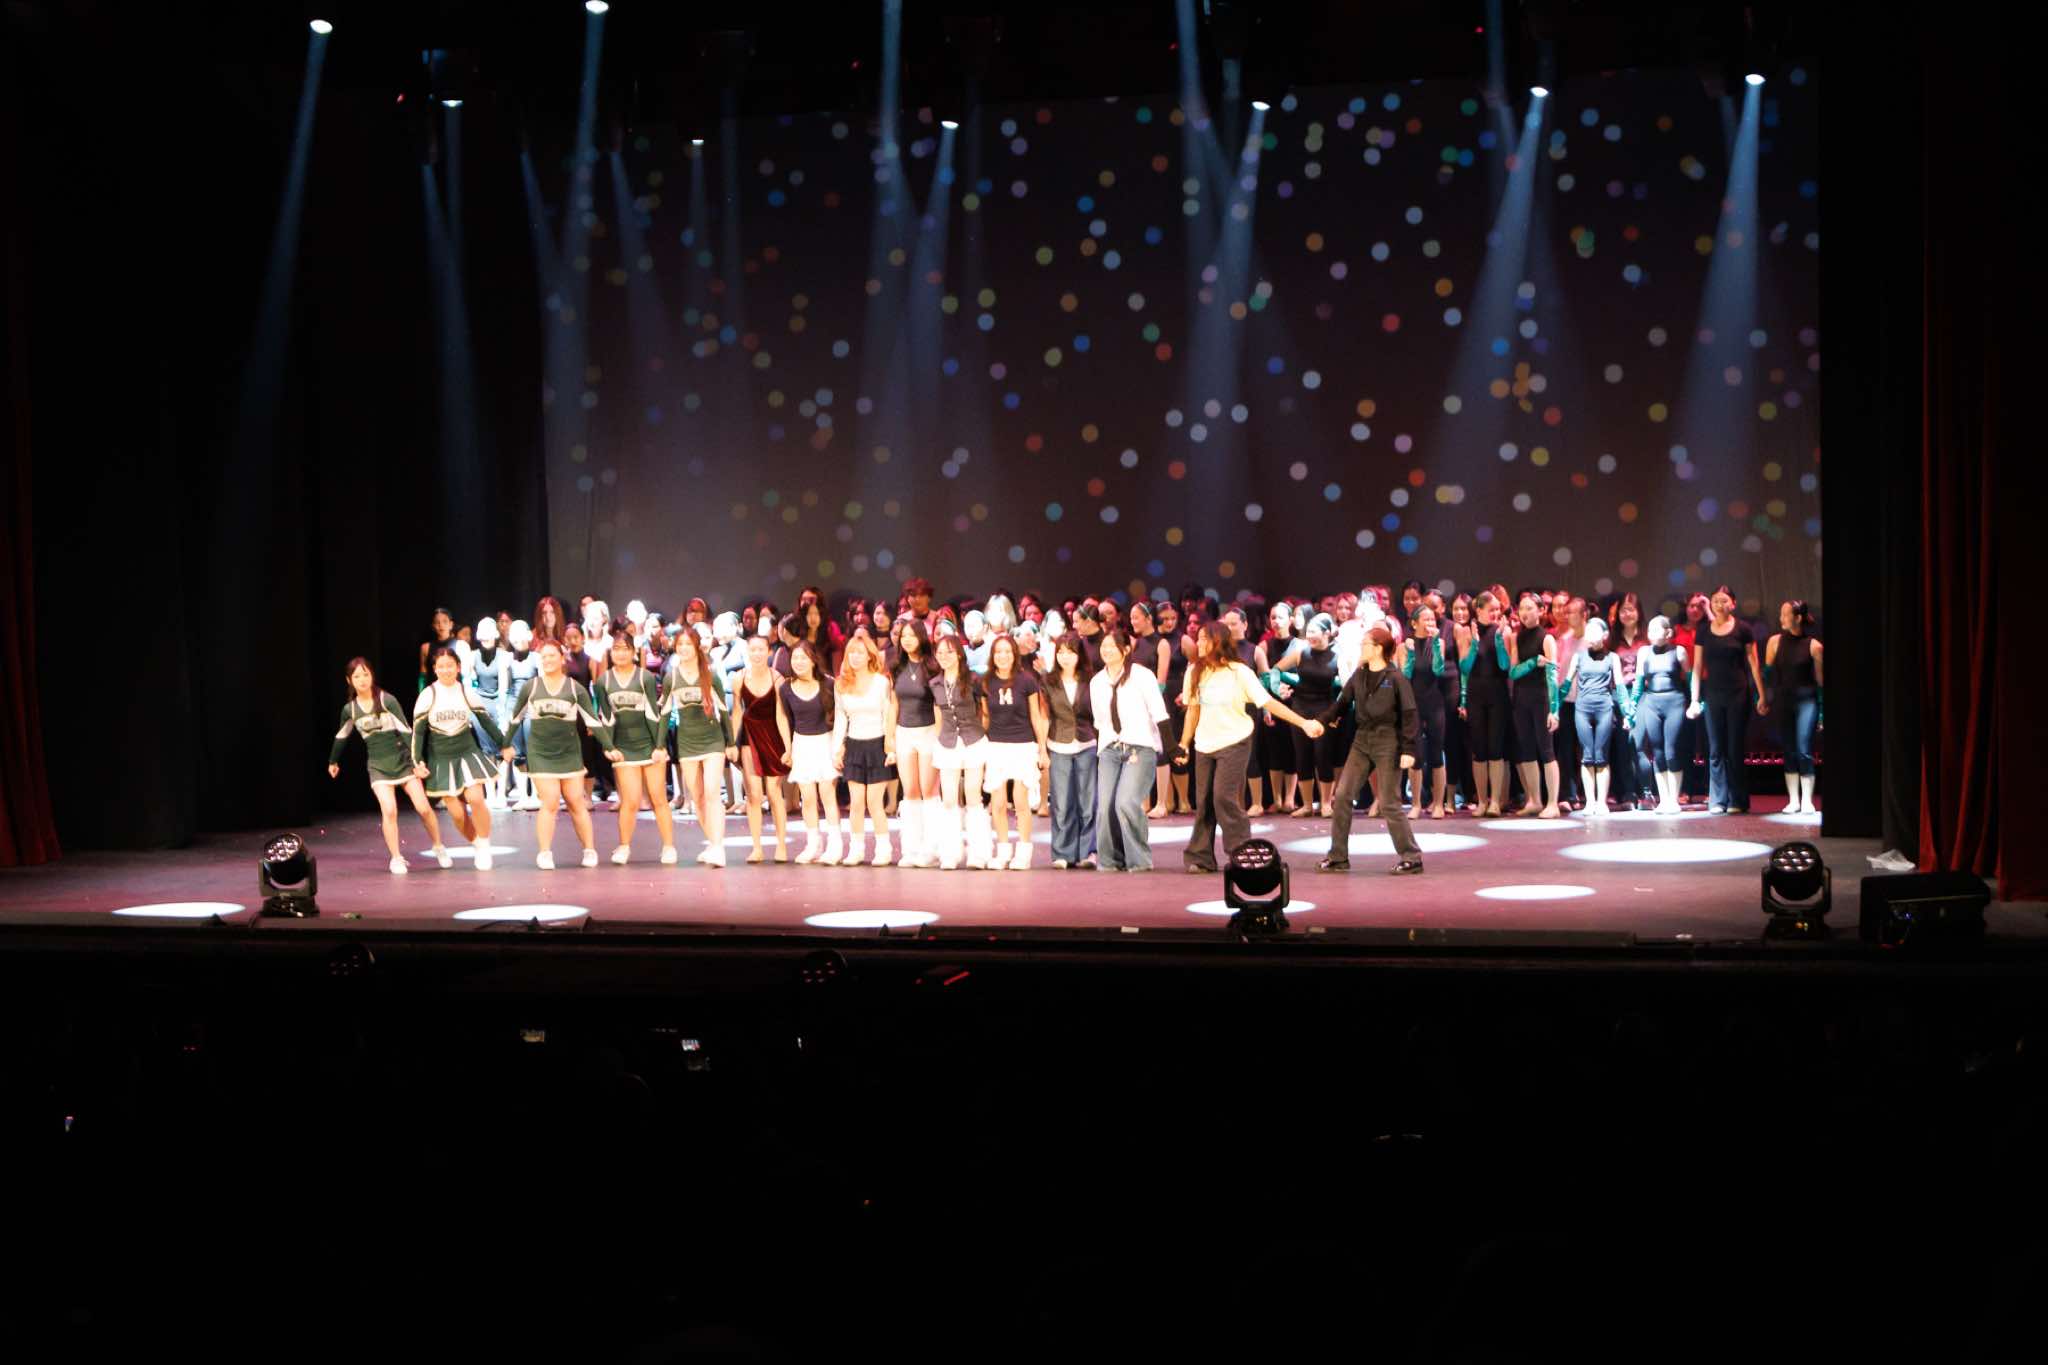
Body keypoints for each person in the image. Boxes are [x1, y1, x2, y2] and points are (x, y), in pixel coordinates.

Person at [1173, 621, 1326, 873]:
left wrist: (1303, 723)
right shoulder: (1194, 671)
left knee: (1223, 796)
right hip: (1204, 743)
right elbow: (1193, 711)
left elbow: (1267, 702)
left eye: (1203, 639)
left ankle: (1242, 852)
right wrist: (1184, 744)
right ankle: (1200, 857)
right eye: (1198, 638)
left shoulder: (1239, 672)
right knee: (1204, 801)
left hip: (1235, 740)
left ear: (1218, 641)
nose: (1198, 643)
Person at [1313, 626, 1424, 875]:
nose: (1361, 648)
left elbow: (1409, 715)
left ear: (1378, 649)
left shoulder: (1396, 678)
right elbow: (1342, 703)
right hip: (1362, 740)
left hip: (1388, 740)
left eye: (1365, 644)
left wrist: (1408, 749)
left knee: (1389, 801)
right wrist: (1321, 721)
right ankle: (1338, 856)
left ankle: (1412, 856)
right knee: (1342, 795)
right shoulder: (1360, 675)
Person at [328, 657, 445, 874]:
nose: (362, 680)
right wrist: (333, 761)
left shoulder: (387, 700)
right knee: (389, 810)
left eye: (365, 674)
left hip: (403, 761)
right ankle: (396, 857)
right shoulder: (349, 710)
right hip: (378, 766)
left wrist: (417, 762)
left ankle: (438, 845)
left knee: (423, 807)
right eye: (357, 676)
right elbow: (341, 736)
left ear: (372, 675)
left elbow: (406, 731)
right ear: (349, 680)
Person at [503, 638, 607, 869]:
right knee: (549, 801)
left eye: (552, 655)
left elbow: (593, 721)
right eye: (544, 656)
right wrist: (505, 744)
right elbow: (515, 718)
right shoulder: (531, 687)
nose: (548, 660)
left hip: (569, 753)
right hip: (541, 752)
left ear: (562, 659)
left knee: (575, 802)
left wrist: (610, 747)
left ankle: (589, 850)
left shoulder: (575, 688)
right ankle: (544, 853)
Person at [410, 644, 512, 870]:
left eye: (450, 665)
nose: (446, 670)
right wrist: (417, 761)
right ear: (435, 669)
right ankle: (475, 841)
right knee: (456, 813)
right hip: (441, 756)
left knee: (476, 798)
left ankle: (484, 845)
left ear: (458, 667)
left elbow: (487, 722)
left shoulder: (466, 692)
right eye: (441, 666)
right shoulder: (428, 695)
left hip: (466, 751)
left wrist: (504, 744)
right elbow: (418, 732)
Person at [593, 629, 678, 866]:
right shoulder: (603, 681)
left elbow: (654, 713)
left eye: (625, 649)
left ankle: (669, 846)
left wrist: (659, 746)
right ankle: (624, 846)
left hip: (649, 746)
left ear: (633, 652)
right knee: (629, 801)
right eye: (616, 649)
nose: (620, 653)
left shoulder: (645, 678)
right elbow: (606, 717)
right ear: (610, 652)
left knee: (658, 798)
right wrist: (609, 746)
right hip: (624, 748)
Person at [1091, 630, 1170, 872]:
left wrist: (1172, 747)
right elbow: (1099, 722)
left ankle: (1139, 860)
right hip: (1110, 748)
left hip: (1140, 746)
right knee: (1105, 807)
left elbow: (1159, 713)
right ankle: (1109, 860)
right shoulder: (1097, 681)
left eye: (1112, 646)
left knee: (1125, 802)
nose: (1106, 650)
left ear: (1125, 650)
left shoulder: (1142, 676)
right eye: (1103, 646)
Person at [1688, 585, 1768, 814]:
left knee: (1734, 747)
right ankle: (1717, 799)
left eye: (1724, 601)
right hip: (1713, 694)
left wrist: (1761, 695)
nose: (1719, 605)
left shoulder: (1743, 629)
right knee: (1715, 748)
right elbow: (1697, 666)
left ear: (1733, 604)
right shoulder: (1704, 631)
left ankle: (1737, 799)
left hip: (1738, 694)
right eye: (1715, 600)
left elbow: (1754, 664)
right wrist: (1694, 699)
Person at [664, 627, 737, 866]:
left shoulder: (710, 675)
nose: (684, 648)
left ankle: (718, 848)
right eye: (680, 644)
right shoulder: (672, 677)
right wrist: (659, 745)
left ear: (696, 647)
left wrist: (730, 742)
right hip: (687, 742)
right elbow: (664, 713)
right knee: (698, 798)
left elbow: (724, 711)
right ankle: (713, 844)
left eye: (688, 644)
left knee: (713, 792)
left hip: (712, 739)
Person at [981, 633, 1049, 871]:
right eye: (998, 652)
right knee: (998, 803)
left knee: (1021, 801)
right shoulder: (986, 682)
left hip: (1023, 745)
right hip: (996, 746)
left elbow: (1036, 716)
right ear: (992, 655)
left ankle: (1024, 851)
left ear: (1014, 654)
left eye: (1007, 651)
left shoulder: (1027, 681)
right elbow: (985, 718)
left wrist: (1042, 749)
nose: (1003, 656)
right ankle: (1002, 851)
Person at [832, 631, 897, 866]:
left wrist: (890, 747)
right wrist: (837, 748)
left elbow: (888, 714)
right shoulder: (841, 685)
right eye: (851, 653)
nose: (855, 657)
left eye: (860, 653)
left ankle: (884, 849)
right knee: (856, 802)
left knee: (874, 802)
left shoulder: (881, 682)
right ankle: (856, 850)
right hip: (854, 745)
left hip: (877, 744)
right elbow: (841, 718)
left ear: (869, 655)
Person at [927, 632, 990, 869]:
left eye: (949, 652)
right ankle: (950, 852)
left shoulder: (973, 679)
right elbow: (938, 717)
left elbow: (985, 712)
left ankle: (979, 853)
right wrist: (938, 741)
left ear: (959, 655)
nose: (943, 656)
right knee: (949, 799)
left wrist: (981, 732)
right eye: (940, 652)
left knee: (973, 795)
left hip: (973, 740)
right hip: (947, 743)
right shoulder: (934, 683)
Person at [1271, 612, 1343, 817]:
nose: (1309, 635)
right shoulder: (1301, 653)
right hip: (1301, 708)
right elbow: (1275, 670)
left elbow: (1347, 686)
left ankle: (1326, 804)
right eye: (1308, 631)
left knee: (1323, 755)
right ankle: (1307, 805)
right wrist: (1278, 688)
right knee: (1302, 755)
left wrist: (1337, 713)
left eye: (1314, 631)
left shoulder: (1338, 655)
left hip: (1325, 709)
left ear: (1327, 633)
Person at [778, 640, 842, 865]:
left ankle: (835, 845)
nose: (799, 662)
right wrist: (788, 748)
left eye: (803, 658)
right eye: (795, 658)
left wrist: (839, 747)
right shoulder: (786, 688)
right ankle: (813, 845)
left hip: (825, 742)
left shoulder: (829, 683)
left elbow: (841, 716)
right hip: (802, 744)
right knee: (807, 797)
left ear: (813, 660)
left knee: (827, 794)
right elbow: (782, 717)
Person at [732, 633, 792, 863]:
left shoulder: (777, 678)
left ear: (769, 652)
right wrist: (731, 743)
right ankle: (757, 847)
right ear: (747, 652)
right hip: (749, 736)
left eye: (761, 649)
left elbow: (782, 716)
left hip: (772, 736)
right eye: (752, 649)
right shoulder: (739, 678)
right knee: (754, 794)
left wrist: (788, 747)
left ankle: (781, 845)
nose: (756, 654)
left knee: (774, 792)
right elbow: (737, 712)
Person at [1042, 632, 1098, 869]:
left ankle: (1088, 851)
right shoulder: (1048, 680)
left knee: (1088, 801)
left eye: (1070, 652)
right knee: (1062, 802)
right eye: (1061, 652)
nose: (1065, 657)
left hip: (1086, 743)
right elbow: (1044, 715)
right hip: (1058, 743)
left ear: (1080, 655)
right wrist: (1041, 749)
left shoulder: (1091, 680)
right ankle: (1062, 852)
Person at [888, 618, 941, 868]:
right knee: (910, 791)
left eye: (912, 635)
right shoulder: (896, 666)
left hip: (929, 731)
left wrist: (940, 738)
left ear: (921, 638)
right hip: (904, 733)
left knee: (929, 791)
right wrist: (889, 737)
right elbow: (893, 704)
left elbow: (938, 704)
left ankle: (931, 849)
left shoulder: (932, 666)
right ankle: (911, 848)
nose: (907, 640)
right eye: (903, 636)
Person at [1506, 593, 1564, 819]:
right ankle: (1534, 800)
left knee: (1546, 750)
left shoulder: (1547, 638)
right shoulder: (1517, 638)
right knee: (1527, 750)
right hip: (1521, 699)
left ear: (1541, 611)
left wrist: (1554, 710)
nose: (1524, 613)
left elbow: (1552, 676)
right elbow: (1513, 672)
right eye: (1521, 608)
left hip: (1541, 699)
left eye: (1529, 608)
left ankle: (1553, 803)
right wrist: (1532, 663)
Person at [1627, 615, 1692, 814]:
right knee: (1658, 752)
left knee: (1671, 750)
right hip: (1652, 703)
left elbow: (1690, 679)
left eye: (1657, 629)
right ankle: (1664, 799)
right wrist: (1631, 708)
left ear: (1668, 632)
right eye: (1650, 630)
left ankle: (1673, 798)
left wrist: (1695, 702)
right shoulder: (1644, 652)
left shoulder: (1679, 651)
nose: (1652, 633)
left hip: (1674, 702)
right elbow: (1638, 683)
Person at [1455, 591, 1512, 817]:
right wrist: (1475, 644)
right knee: (1479, 750)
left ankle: (1495, 801)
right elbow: (1464, 667)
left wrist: (1498, 640)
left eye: (1498, 609)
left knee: (1496, 748)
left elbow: (1505, 665)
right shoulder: (1466, 632)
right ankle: (1481, 801)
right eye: (1491, 610)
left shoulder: (1504, 631)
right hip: (1476, 695)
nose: (1496, 613)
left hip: (1498, 695)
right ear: (1478, 610)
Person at [1766, 600, 1824, 814]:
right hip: (1784, 701)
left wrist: (1822, 712)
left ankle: (1807, 799)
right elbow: (1768, 674)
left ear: (1798, 618)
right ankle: (1793, 800)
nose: (1781, 618)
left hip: (1807, 701)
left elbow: (1821, 682)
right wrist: (1762, 698)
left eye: (1785, 614)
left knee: (1803, 748)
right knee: (1789, 749)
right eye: (1781, 614)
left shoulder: (1814, 646)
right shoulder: (1774, 642)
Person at [1562, 618, 1621, 816]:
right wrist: (1554, 708)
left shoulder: (1612, 657)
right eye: (1588, 631)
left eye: (1594, 631)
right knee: (1587, 754)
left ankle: (1601, 802)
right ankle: (1590, 801)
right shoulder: (1578, 657)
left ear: (1605, 635)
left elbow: (1620, 686)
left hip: (1604, 708)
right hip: (1583, 709)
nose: (1590, 635)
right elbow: (1566, 684)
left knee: (1601, 754)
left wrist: (1628, 713)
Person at [1400, 605, 1455, 819]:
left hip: (1434, 702)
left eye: (1432, 619)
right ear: (1414, 623)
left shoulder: (1438, 643)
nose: (1430, 623)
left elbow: (1438, 670)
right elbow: (1405, 675)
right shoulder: (1405, 646)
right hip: (1413, 704)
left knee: (1436, 753)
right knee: (1415, 754)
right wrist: (1411, 653)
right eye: (1426, 619)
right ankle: (1415, 804)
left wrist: (1436, 643)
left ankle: (1438, 803)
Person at [417, 607, 456, 694]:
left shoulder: (461, 646)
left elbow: (467, 676)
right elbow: (423, 675)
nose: (441, 625)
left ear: (451, 624)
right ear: (433, 626)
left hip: (455, 692)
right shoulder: (425, 647)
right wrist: (421, 694)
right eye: (437, 622)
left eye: (444, 621)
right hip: (434, 693)